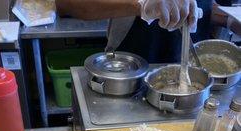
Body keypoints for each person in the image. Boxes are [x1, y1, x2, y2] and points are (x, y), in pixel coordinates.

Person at [56, 0, 241, 63]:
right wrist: (142, 5)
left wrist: (230, 19)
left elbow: (201, 6)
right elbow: (66, 4)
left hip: (191, 75)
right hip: (128, 73)